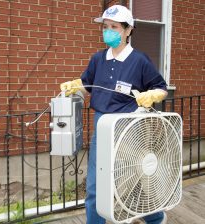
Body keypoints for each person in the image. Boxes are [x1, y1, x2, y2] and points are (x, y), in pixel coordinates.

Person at [60, 5, 168, 224]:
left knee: (135, 180)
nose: (107, 31)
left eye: (114, 27)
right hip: (103, 126)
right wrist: (74, 87)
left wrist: (152, 95)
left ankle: (155, 217)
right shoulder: (98, 59)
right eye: (105, 27)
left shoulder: (140, 61)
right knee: (95, 186)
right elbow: (86, 85)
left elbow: (162, 88)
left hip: (130, 129)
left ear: (128, 30)